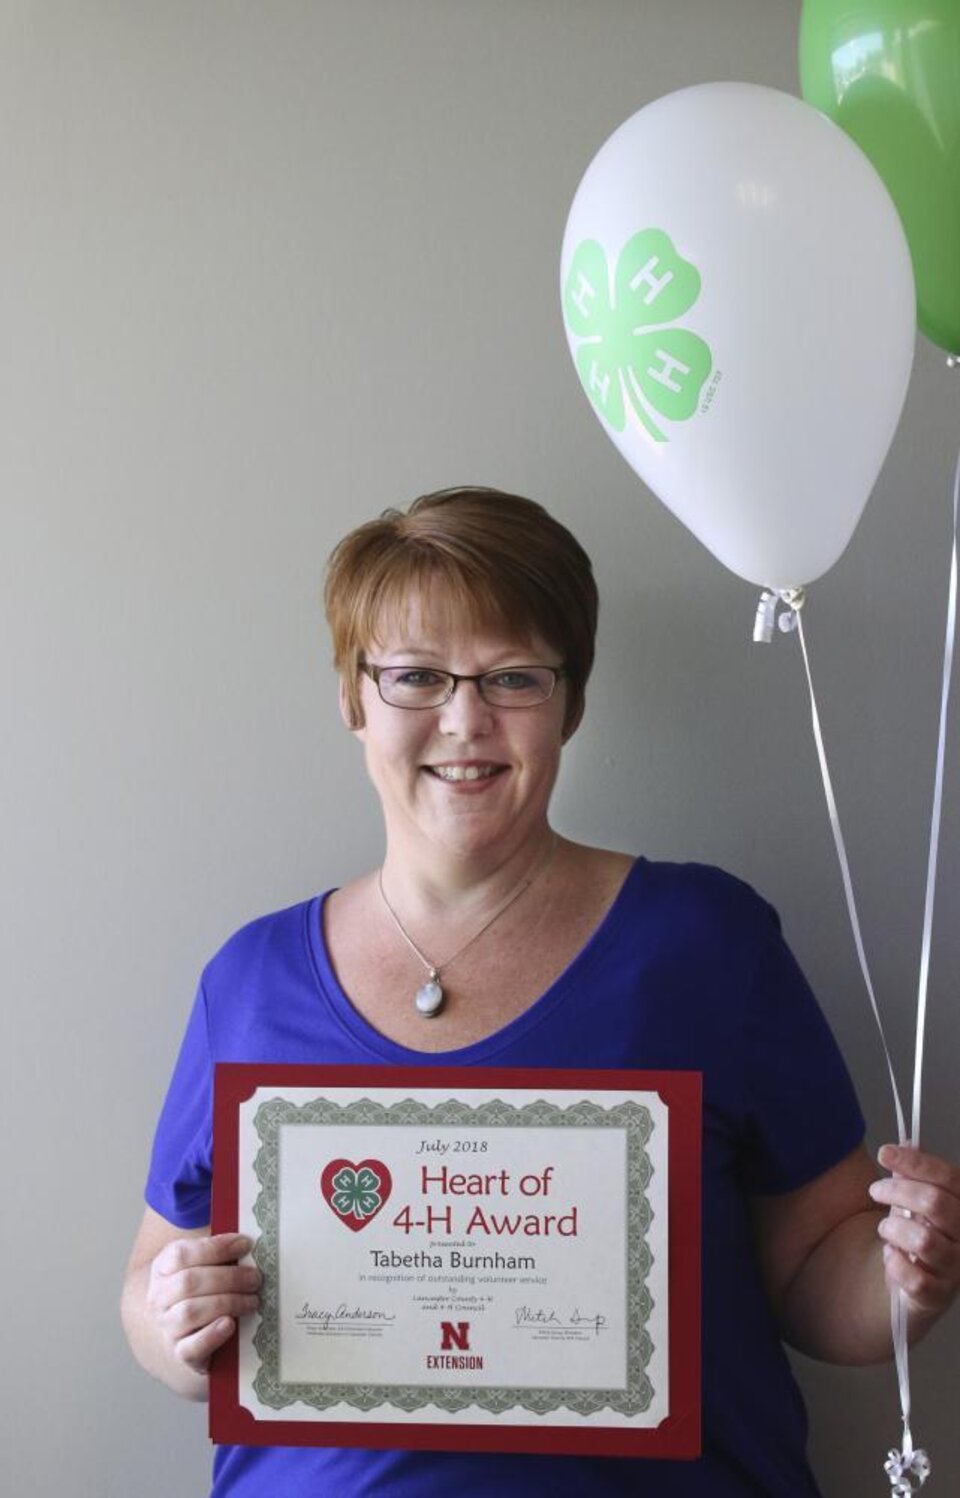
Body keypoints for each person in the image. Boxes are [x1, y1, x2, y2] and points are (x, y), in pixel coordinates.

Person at [122, 487, 960, 1496]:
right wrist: (174, 1322)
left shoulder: (705, 942)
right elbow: (153, 1286)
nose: (465, 720)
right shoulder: (251, 978)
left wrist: (907, 1281)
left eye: (513, 676)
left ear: (571, 699)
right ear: (353, 697)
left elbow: (815, 1276)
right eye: (416, 676)